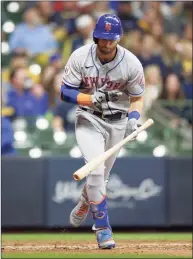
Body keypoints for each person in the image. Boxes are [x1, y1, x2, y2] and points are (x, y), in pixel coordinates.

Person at [60, 14, 145, 249]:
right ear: (96, 36)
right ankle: (103, 228)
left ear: (119, 39)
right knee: (96, 172)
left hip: (118, 123)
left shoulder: (131, 63)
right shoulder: (80, 56)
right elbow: (65, 91)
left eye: (112, 39)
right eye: (103, 38)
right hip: (89, 118)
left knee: (101, 178)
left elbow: (137, 97)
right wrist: (88, 98)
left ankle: (86, 201)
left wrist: (134, 119)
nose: (107, 43)